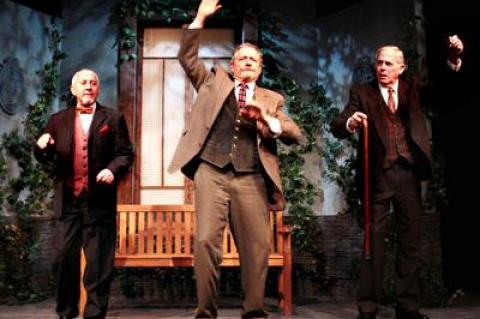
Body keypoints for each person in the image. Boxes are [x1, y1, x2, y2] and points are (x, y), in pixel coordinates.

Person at [167, 0, 303, 317]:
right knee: (204, 242)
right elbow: (187, 58)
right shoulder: (213, 81)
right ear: (232, 63)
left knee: (256, 248)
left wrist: (267, 122)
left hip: (251, 176)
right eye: (241, 58)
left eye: (253, 60)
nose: (246, 63)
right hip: (211, 170)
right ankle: (206, 312)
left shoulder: (271, 98)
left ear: (261, 67)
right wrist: (201, 16)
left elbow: (294, 133)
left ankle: (253, 311)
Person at [330, 45, 434, 319]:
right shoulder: (362, 93)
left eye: (389, 64)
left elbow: (443, 92)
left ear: (401, 68)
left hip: (408, 173)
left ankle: (408, 307)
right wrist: (351, 121)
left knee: (410, 241)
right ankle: (368, 307)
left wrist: (454, 61)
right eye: (379, 63)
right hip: (377, 175)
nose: (383, 68)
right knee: (372, 240)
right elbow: (338, 125)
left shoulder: (411, 89)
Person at [35, 69, 133, 319]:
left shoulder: (112, 118)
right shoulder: (58, 121)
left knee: (98, 263)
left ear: (98, 89)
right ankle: (66, 313)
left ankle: (94, 314)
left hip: (99, 201)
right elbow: (45, 158)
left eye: (93, 83)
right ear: (73, 89)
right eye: (83, 83)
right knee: (63, 259)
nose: (88, 86)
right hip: (68, 202)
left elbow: (125, 154)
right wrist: (41, 146)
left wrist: (112, 170)